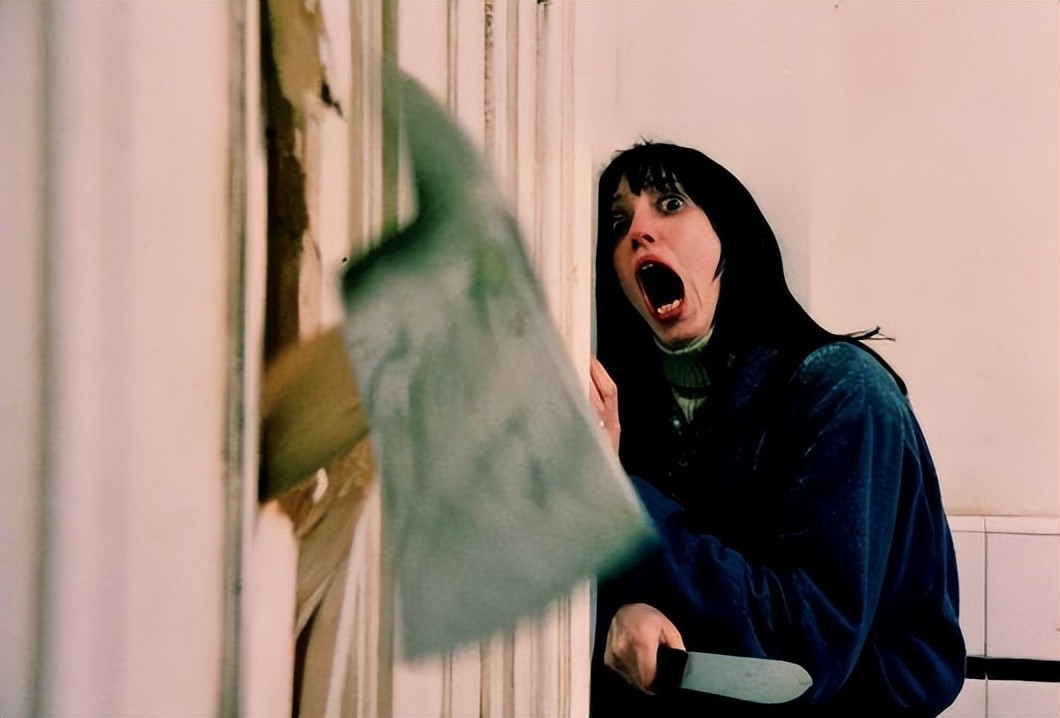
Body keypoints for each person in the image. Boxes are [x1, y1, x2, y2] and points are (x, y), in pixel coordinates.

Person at [587, 142, 965, 715]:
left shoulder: (841, 391)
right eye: (618, 224)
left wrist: (616, 497)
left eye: (670, 203)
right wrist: (626, 613)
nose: (639, 231)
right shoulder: (630, 409)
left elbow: (804, 650)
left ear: (728, 233)